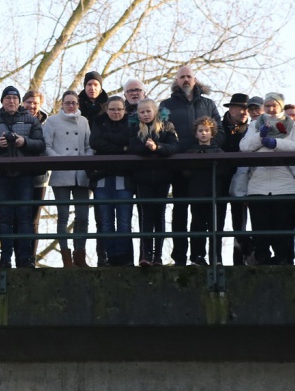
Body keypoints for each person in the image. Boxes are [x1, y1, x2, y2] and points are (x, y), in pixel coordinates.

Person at [160, 66, 223, 266]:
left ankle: (198, 255)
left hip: (202, 169)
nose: (186, 80)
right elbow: (161, 132)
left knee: (200, 214)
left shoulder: (208, 104)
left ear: (195, 80)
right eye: (182, 77)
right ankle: (179, 256)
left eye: (189, 76)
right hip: (178, 166)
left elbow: (219, 131)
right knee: (179, 211)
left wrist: (207, 148)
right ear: (176, 81)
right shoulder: (166, 105)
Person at [0, 85, 45, 268]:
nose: (11, 101)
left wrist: (23, 142)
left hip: (25, 174)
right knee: (5, 216)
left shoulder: (31, 120)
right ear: (2, 101)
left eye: (15, 98)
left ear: (19, 101)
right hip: (2, 175)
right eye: (8, 98)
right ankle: (6, 258)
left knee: (25, 216)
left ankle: (24, 258)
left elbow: (40, 145)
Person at [239, 92, 295, 265]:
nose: (271, 109)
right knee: (260, 226)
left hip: (285, 183)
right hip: (258, 183)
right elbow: (244, 146)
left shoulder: (293, 125)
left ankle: (282, 260)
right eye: (267, 106)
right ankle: (262, 260)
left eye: (274, 105)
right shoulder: (254, 125)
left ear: (280, 106)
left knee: (283, 226)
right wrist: (260, 136)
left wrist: (276, 144)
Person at [44, 90, 94, 267]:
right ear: (62, 104)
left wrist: (85, 160)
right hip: (61, 173)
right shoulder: (52, 121)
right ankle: (66, 258)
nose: (71, 106)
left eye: (74, 103)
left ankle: (80, 255)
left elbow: (89, 146)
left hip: (81, 174)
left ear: (78, 104)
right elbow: (46, 146)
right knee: (63, 216)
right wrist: (59, 160)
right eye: (68, 103)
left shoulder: (84, 121)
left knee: (83, 217)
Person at [127, 99, 177, 266]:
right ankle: (146, 254)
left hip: (163, 176)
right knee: (146, 215)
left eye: (148, 111)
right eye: (142, 112)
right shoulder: (135, 128)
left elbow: (173, 146)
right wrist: (146, 147)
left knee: (159, 215)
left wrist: (158, 147)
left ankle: (158, 256)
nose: (145, 115)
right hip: (143, 177)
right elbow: (133, 147)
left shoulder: (167, 126)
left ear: (155, 111)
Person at [89, 96, 135, 267]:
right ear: (106, 110)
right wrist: (121, 148)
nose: (116, 112)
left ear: (124, 110)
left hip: (124, 176)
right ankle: (111, 256)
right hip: (102, 177)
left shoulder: (131, 123)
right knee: (106, 221)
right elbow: (94, 142)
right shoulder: (98, 122)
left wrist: (108, 144)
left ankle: (124, 256)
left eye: (119, 109)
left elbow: (131, 142)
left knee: (124, 220)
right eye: (112, 109)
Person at [77, 71, 108, 265]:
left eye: (96, 84)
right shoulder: (76, 105)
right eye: (89, 84)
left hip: (101, 162)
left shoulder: (109, 106)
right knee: (80, 214)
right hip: (79, 159)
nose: (92, 88)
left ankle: (103, 256)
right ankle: (78, 256)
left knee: (102, 214)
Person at [184, 116, 224, 266]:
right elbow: (185, 171)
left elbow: (224, 170)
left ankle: (216, 258)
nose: (203, 133)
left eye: (207, 130)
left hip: (215, 193)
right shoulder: (191, 152)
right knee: (197, 225)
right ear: (196, 134)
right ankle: (197, 256)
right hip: (197, 193)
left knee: (216, 226)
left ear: (212, 133)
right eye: (200, 131)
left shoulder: (219, 152)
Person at [220, 93, 253, 266]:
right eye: (241, 108)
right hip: (220, 176)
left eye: (247, 109)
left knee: (240, 220)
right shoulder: (218, 127)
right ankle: (216, 259)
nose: (244, 112)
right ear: (231, 109)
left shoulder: (250, 129)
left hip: (242, 177)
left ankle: (239, 260)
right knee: (217, 219)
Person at [23, 90, 49, 252]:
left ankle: (31, 257)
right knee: (17, 218)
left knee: (33, 220)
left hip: (39, 178)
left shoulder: (47, 125)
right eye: (29, 102)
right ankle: (18, 258)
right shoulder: (15, 121)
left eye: (35, 103)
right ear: (23, 103)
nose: (32, 106)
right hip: (18, 176)